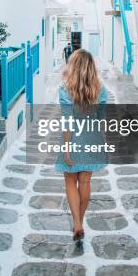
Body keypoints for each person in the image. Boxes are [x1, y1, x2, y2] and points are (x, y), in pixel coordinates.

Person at [55, 49, 108, 241]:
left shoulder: (65, 88)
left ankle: (77, 223)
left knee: (70, 181)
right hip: (92, 136)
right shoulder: (100, 89)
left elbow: (67, 121)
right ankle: (80, 222)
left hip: (73, 138)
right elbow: (102, 119)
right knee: (85, 181)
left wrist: (67, 148)